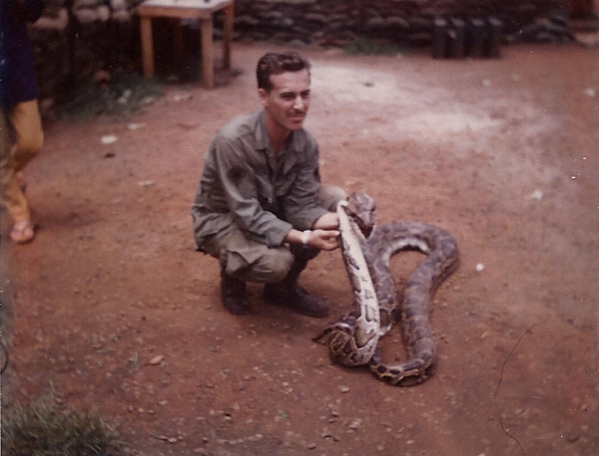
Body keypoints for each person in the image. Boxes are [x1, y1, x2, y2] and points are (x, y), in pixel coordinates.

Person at [191, 51, 346, 317]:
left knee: (336, 199)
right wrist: (307, 237)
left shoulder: (304, 142)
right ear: (264, 97)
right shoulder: (233, 141)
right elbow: (246, 214)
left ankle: (282, 290)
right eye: (288, 96)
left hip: (268, 208)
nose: (300, 105)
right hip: (225, 219)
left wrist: (342, 217)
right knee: (276, 262)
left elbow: (301, 205)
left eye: (305, 94)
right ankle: (233, 275)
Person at [0, 0, 45, 244]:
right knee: (0, 156)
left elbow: (34, 12)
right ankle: (20, 215)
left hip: (15, 66)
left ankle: (11, 175)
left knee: (32, 142)